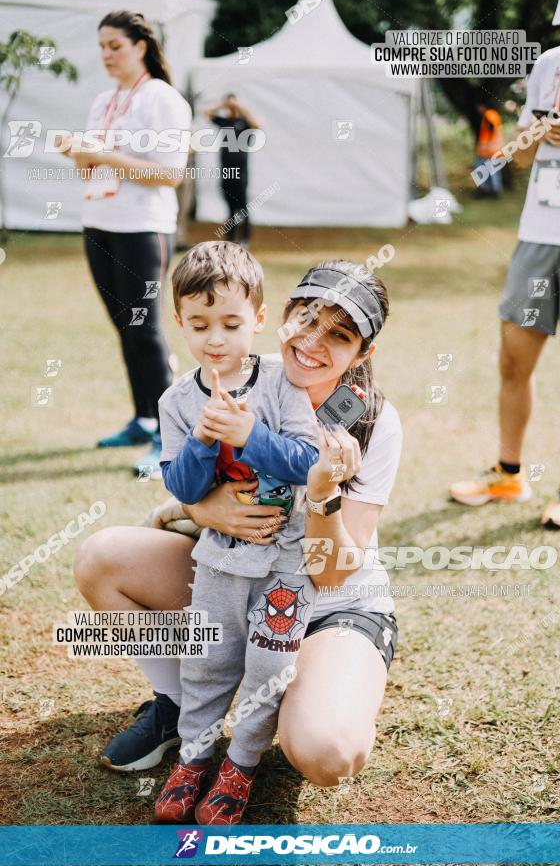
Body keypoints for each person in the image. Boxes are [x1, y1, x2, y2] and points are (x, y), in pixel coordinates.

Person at [74, 257, 402, 801]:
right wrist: (204, 512)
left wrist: (322, 494)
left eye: (339, 336)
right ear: (281, 316)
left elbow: (335, 571)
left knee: (328, 753)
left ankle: (290, 701)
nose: (313, 344)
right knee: (102, 558)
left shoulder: (372, 420)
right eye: (308, 320)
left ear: (364, 353)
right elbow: (185, 482)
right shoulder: (244, 371)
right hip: (234, 573)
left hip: (326, 602)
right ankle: (176, 704)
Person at [152, 241, 319, 824]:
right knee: (208, 660)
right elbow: (185, 487)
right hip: (221, 560)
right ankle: (195, 757)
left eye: (230, 323)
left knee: (268, 667)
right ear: (179, 323)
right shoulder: (176, 401)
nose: (215, 339)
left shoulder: (279, 384)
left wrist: (249, 433)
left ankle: (241, 765)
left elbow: (307, 461)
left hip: (286, 562)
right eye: (199, 325)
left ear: (259, 319)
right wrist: (202, 439)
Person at [451, 0, 560, 530]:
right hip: (540, 230)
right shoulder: (551, 63)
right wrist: (531, 136)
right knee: (514, 357)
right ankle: (508, 473)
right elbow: (523, 155)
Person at [63, 11, 191, 477]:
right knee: (124, 327)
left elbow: (170, 173)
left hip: (145, 226)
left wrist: (103, 155)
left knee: (145, 329)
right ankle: (142, 419)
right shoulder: (105, 100)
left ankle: (168, 437)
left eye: (114, 45)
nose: (106, 56)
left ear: (141, 46)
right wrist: (79, 154)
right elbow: (91, 169)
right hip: (99, 221)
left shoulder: (163, 99)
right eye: (101, 47)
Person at [204, 94, 260, 246]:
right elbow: (206, 113)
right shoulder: (225, 121)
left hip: (241, 172)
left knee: (242, 207)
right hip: (226, 171)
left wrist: (240, 106)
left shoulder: (245, 122)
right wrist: (222, 105)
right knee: (229, 207)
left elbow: (257, 123)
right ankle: (231, 239)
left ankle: (245, 239)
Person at [474, 101, 504, 196]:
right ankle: (493, 190)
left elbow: (491, 128)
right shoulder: (494, 115)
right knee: (492, 170)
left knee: (485, 170)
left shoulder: (489, 114)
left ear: (483, 106)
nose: (478, 109)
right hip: (494, 149)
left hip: (489, 150)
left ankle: (491, 190)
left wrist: (483, 146)